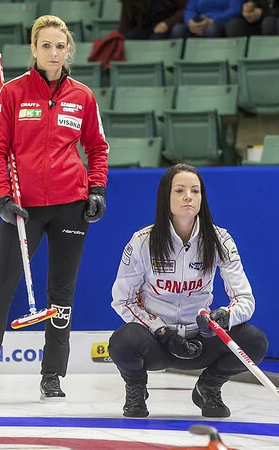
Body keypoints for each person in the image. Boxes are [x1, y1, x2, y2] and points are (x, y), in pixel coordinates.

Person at [0, 15, 109, 403]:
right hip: (23, 209)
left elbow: (97, 147)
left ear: (68, 50)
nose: (53, 52)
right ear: (34, 50)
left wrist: (97, 189)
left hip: (70, 206)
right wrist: (2, 197)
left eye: (60, 46)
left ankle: (53, 376)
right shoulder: (11, 93)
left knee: (61, 294)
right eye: (46, 45)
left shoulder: (83, 96)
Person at [108, 164, 268, 419]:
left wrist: (223, 317)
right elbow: (123, 300)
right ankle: (136, 389)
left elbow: (245, 300)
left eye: (195, 191)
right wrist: (161, 331)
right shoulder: (142, 241)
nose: (188, 197)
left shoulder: (220, 240)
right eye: (180, 190)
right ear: (165, 197)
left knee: (255, 341)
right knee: (123, 341)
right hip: (158, 344)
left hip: (202, 340)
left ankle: (209, 386)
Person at [173, 0, 249, 38]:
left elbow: (235, 9)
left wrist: (212, 20)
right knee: (178, 30)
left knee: (211, 30)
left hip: (223, 21)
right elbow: (190, 8)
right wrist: (190, 21)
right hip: (200, 21)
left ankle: (213, 62)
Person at [118, 0, 187, 40]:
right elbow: (125, 23)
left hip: (169, 25)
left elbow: (185, 8)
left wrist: (167, 23)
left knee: (156, 38)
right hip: (147, 28)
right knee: (129, 36)